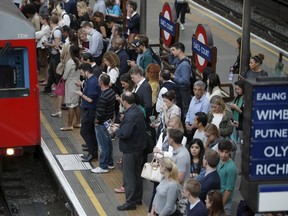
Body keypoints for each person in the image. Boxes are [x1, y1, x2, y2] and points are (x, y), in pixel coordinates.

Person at [110, 92, 147, 211]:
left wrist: (116, 130)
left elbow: (125, 134)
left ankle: (130, 202)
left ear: (125, 101)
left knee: (129, 176)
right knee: (137, 175)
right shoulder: (137, 110)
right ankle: (137, 198)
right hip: (139, 148)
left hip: (130, 149)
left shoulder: (130, 115)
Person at [75, 63, 101, 162]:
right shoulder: (91, 80)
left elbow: (90, 99)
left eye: (82, 72)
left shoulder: (92, 82)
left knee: (85, 131)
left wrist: (81, 94)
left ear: (86, 71)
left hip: (90, 110)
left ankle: (92, 153)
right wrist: (81, 84)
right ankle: (92, 152)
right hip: (89, 110)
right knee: (90, 132)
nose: (81, 75)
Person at [91, 74, 116, 173]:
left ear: (101, 82)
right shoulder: (111, 92)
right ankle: (110, 163)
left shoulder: (103, 96)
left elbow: (100, 113)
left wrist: (96, 121)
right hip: (108, 121)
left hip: (101, 123)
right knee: (108, 142)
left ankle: (103, 166)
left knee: (102, 145)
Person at [168, 128, 190, 215]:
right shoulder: (178, 151)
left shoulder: (181, 156)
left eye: (168, 137)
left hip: (180, 194)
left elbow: (180, 178)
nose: (167, 139)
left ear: (172, 140)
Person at [60, 45, 81, 131]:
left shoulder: (70, 62)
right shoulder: (79, 61)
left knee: (70, 105)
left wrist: (62, 79)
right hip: (77, 84)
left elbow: (65, 76)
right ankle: (78, 122)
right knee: (76, 104)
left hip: (70, 85)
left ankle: (69, 125)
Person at [170, 42, 192, 117]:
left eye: (173, 50)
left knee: (184, 110)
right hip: (179, 90)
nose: (172, 52)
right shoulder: (178, 60)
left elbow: (185, 81)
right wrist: (170, 53)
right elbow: (171, 62)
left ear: (179, 50)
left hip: (184, 91)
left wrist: (173, 77)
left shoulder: (185, 65)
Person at [42, 15, 62, 94]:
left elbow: (56, 44)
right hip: (53, 54)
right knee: (51, 72)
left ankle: (56, 90)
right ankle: (48, 88)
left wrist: (48, 44)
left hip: (56, 54)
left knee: (55, 73)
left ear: (51, 22)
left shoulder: (56, 31)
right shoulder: (55, 30)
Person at [217, 140, 237, 216]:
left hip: (224, 203)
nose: (223, 155)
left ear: (230, 152)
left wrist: (221, 206)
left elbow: (228, 190)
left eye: (226, 152)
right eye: (221, 151)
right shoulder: (219, 160)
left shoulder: (231, 168)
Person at [230, 79, 245, 144]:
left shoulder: (246, 98)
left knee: (242, 144)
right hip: (235, 123)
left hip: (242, 125)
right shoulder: (237, 97)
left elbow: (246, 114)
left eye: (238, 89)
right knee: (233, 143)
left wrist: (237, 109)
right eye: (235, 89)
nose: (236, 91)